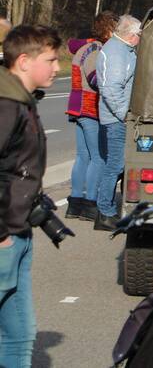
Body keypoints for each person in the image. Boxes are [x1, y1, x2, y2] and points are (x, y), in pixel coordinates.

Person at [0, 25, 61, 367]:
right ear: (24, 61)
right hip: (4, 237)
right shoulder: (6, 105)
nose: (57, 67)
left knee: (21, 334)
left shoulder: (22, 101)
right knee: (17, 336)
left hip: (17, 233)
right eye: (50, 60)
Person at [64, 11, 117, 222]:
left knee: (82, 156)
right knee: (99, 158)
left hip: (78, 107)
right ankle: (90, 203)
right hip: (90, 108)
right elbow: (95, 78)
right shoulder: (95, 50)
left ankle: (75, 203)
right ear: (107, 29)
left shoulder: (84, 47)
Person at [94, 15, 141, 231]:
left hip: (118, 117)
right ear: (132, 35)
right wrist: (123, 114)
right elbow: (111, 88)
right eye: (139, 35)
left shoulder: (123, 50)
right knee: (115, 165)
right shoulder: (116, 52)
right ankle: (105, 212)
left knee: (118, 165)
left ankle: (112, 209)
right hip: (116, 119)